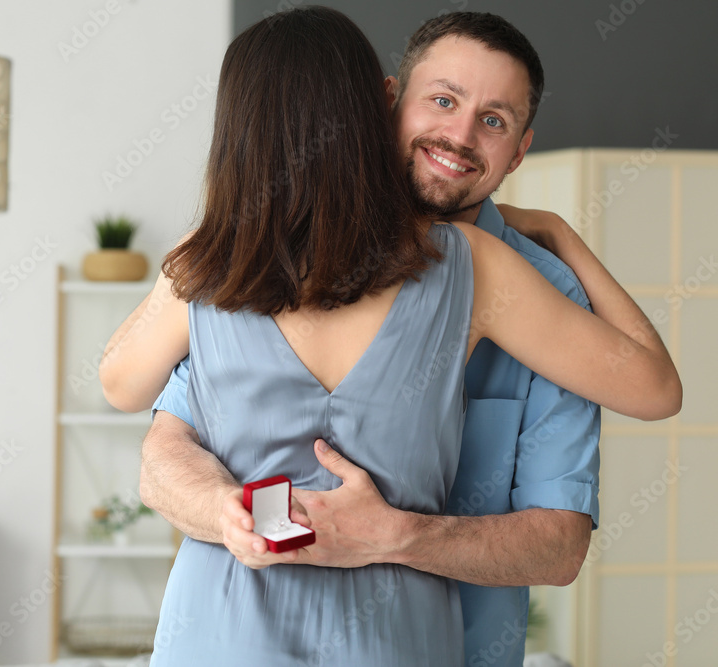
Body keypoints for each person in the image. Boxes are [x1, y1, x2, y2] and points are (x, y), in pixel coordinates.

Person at [99, 7, 681, 665]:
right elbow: (168, 448)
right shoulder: (231, 265)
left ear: (521, 149)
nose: (460, 134)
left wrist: (386, 534)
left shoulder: (219, 264)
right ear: (384, 101)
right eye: (442, 99)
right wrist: (233, 512)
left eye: (493, 120)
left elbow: (562, 541)